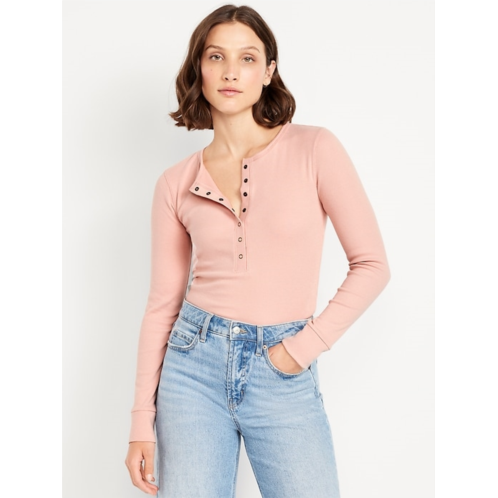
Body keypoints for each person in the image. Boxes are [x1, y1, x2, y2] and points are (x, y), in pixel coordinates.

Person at [125, 4, 390, 497]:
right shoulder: (174, 183)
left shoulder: (315, 148)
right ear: (198, 69)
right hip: (192, 370)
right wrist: (142, 419)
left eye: (247, 58)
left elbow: (372, 265)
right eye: (216, 57)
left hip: (283, 366)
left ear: (268, 71)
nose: (231, 72)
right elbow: (162, 304)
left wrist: (299, 351)